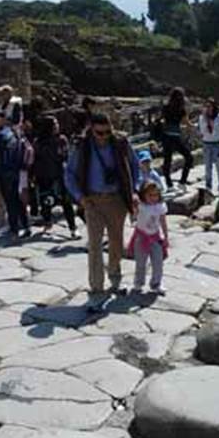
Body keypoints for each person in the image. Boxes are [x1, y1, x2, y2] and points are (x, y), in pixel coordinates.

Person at [64, 113, 142, 310]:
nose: (104, 136)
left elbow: (135, 167)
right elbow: (69, 173)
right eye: (100, 133)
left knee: (116, 241)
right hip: (92, 200)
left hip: (117, 199)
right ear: (91, 129)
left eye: (108, 132)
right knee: (95, 244)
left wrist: (134, 191)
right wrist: (80, 198)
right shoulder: (82, 146)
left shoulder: (121, 143)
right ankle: (96, 286)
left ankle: (115, 277)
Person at [32, 116, 78, 237]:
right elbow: (35, 159)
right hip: (44, 176)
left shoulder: (61, 140)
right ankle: (47, 222)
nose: (57, 126)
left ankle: (73, 228)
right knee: (46, 201)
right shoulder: (39, 142)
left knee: (66, 202)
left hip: (60, 175)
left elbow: (66, 156)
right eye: (54, 124)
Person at [0, 114, 31, 239]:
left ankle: (14, 228)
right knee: (17, 199)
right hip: (16, 170)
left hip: (3, 171)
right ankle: (25, 225)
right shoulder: (16, 134)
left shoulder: (0, 136)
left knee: (10, 201)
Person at [128, 180, 170, 295]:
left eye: (156, 195)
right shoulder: (141, 206)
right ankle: (138, 283)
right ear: (143, 195)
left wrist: (166, 236)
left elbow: (163, 221)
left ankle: (156, 283)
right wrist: (134, 207)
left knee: (158, 262)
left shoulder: (160, 206)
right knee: (141, 263)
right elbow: (133, 215)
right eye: (150, 195)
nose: (153, 198)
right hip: (141, 237)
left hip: (155, 237)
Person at [160, 87, 192, 189]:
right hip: (175, 137)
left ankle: (169, 184)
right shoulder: (181, 110)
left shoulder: (166, 107)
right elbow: (186, 123)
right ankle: (182, 182)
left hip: (166, 136)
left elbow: (162, 120)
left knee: (167, 160)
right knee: (189, 157)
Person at [197, 98, 219, 194]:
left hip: (217, 143)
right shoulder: (202, 118)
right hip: (206, 143)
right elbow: (202, 131)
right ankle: (208, 185)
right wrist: (206, 121)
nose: (208, 108)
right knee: (207, 166)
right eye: (206, 106)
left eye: (210, 106)